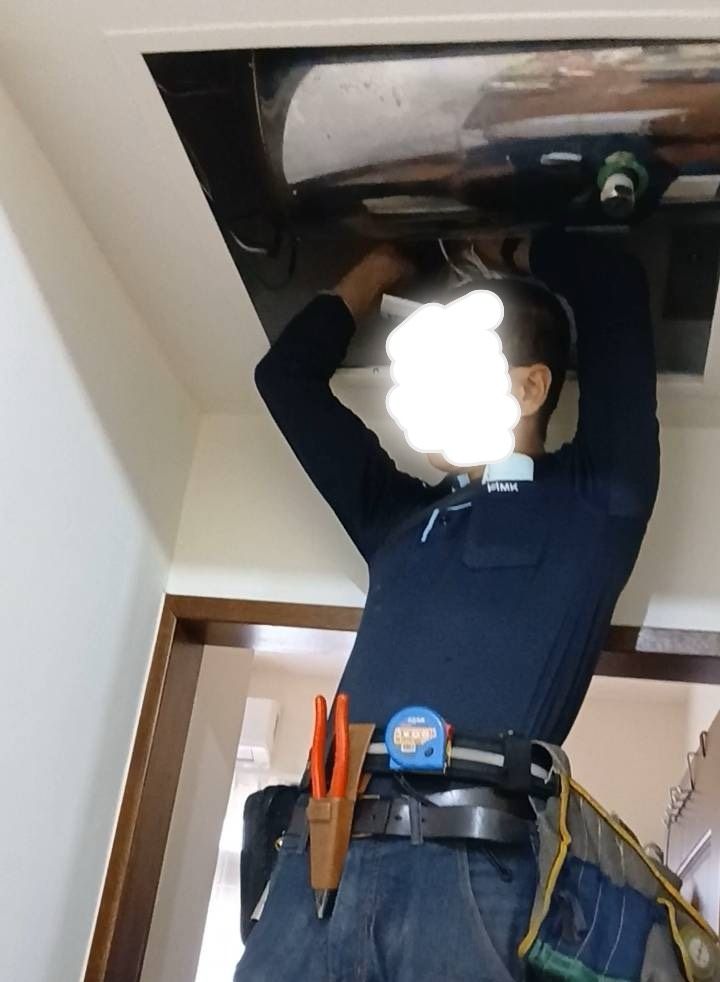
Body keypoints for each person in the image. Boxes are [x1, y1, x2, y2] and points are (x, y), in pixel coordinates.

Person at [235, 228, 660, 981]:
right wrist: (384, 265)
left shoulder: (597, 501)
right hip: (319, 853)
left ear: (530, 388)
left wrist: (505, 249)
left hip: (471, 869)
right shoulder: (399, 516)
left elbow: (615, 283)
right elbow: (285, 379)